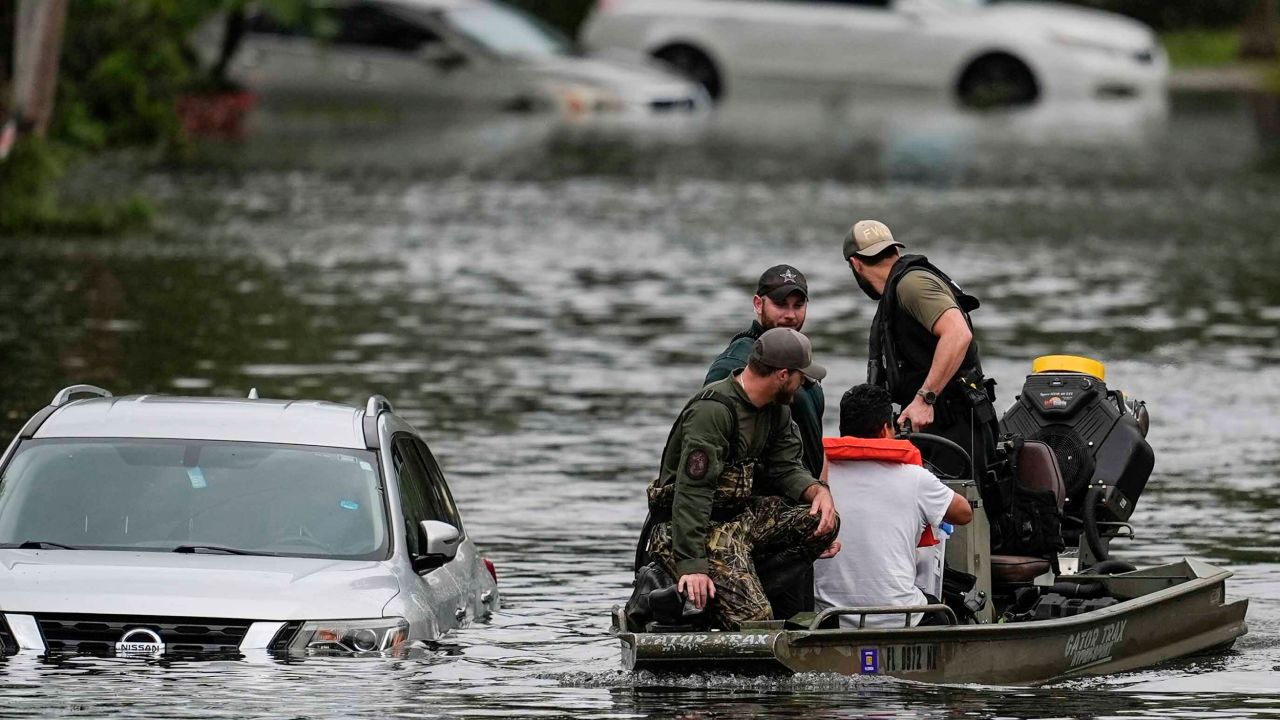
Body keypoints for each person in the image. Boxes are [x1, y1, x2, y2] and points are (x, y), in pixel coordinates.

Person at [644, 328, 840, 630]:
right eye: (802, 376)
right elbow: (692, 494)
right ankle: (679, 597)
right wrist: (692, 565)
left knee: (822, 521)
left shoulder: (776, 410)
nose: (805, 384)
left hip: (737, 522)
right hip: (685, 530)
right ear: (783, 375)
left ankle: (740, 586)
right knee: (756, 623)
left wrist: (818, 491)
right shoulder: (713, 411)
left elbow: (787, 468)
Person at [841, 219, 1001, 506]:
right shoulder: (899, 287)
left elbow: (957, 333)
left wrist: (925, 398)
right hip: (937, 426)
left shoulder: (911, 285)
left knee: (959, 527)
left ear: (855, 264)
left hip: (956, 425)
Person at [814, 384, 972, 627]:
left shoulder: (816, 479)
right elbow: (964, 513)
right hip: (900, 616)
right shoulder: (915, 477)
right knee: (950, 608)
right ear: (885, 429)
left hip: (830, 620)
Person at [705, 264, 826, 481]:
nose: (791, 315)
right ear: (758, 304)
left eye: (798, 305)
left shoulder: (801, 360)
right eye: (781, 305)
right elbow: (709, 444)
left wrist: (821, 489)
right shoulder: (733, 364)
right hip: (763, 505)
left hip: (804, 495)